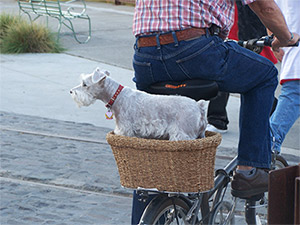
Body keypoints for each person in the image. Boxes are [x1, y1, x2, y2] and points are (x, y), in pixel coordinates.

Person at [131, 0, 300, 223]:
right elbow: (264, 6)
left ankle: (149, 209)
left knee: (155, 148)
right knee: (265, 74)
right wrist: (286, 37)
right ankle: (249, 170)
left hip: (145, 59)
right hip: (193, 51)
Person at [206, 2, 278, 134]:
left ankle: (276, 110)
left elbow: (265, 8)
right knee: (223, 72)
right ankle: (217, 119)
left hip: (246, 30)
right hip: (230, 26)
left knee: (256, 78)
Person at [269, 0, 300, 153]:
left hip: (292, 47)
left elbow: (268, 9)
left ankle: (267, 145)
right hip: (294, 48)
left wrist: (275, 37)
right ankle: (268, 145)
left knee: (293, 95)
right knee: (294, 94)